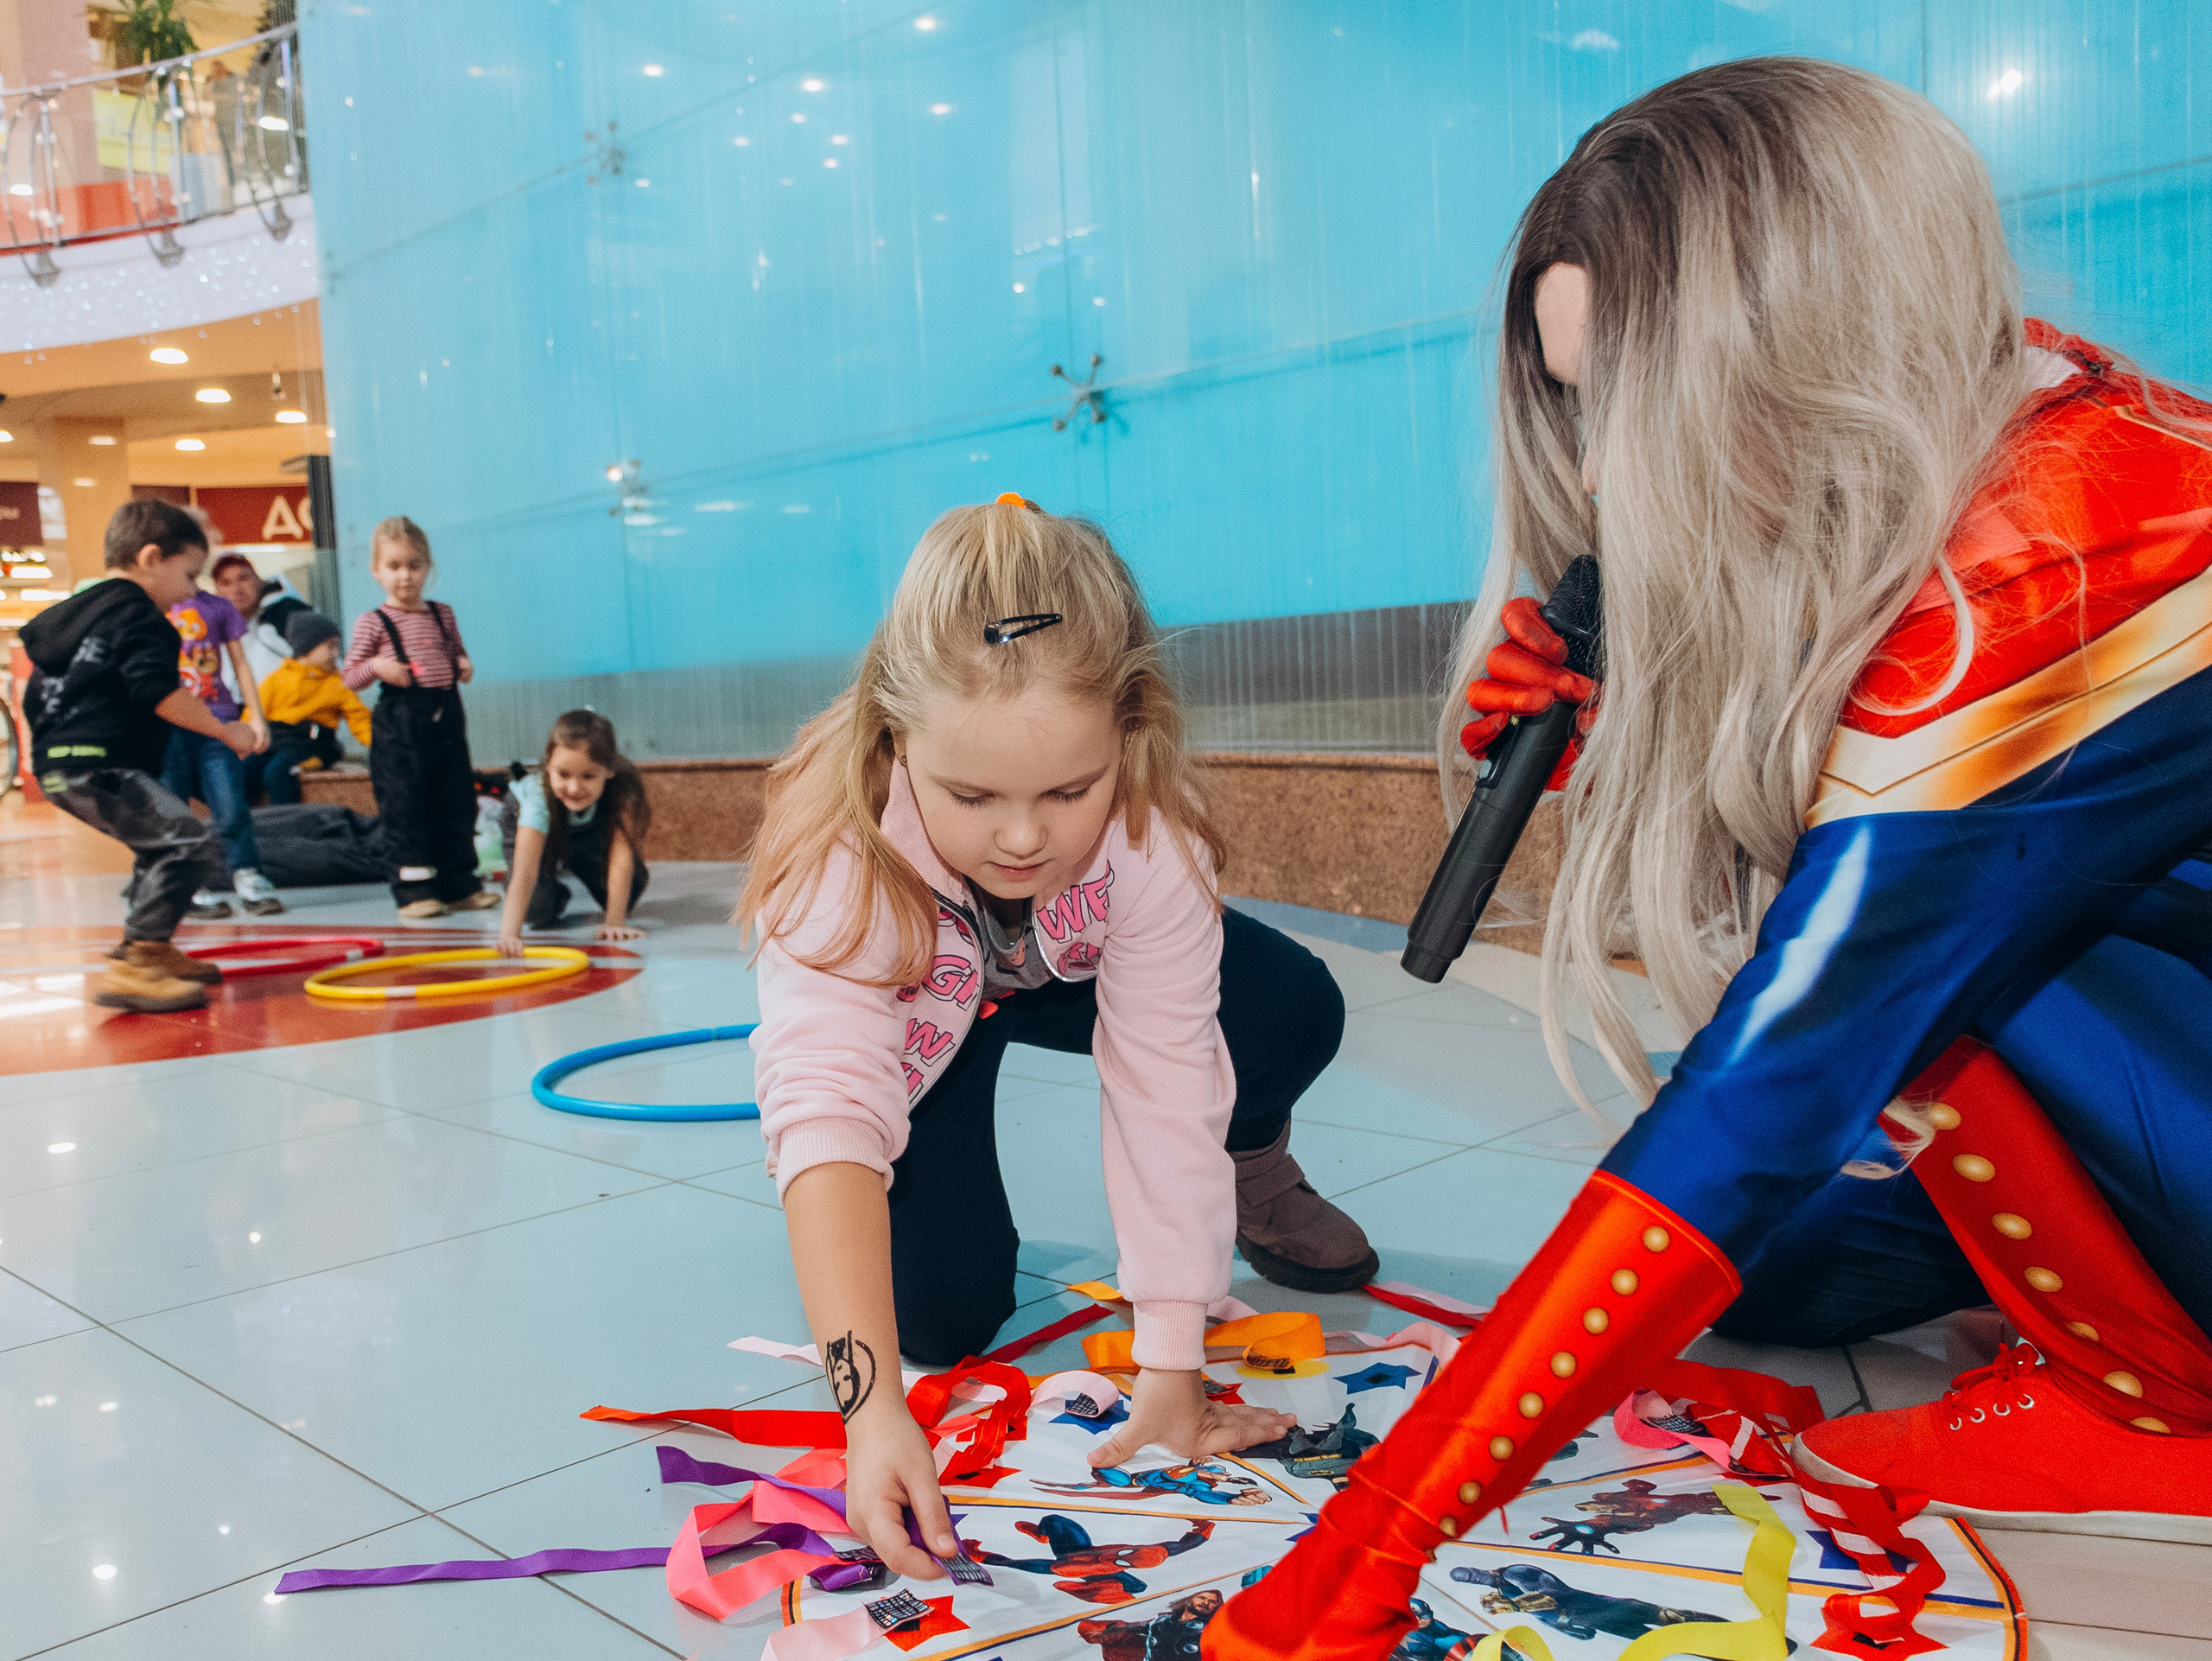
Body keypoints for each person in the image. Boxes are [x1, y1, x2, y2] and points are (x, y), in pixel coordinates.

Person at [1208, 59, 2212, 1661]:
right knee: (1777, 1284)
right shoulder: (2024, 419)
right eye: (1576, 404)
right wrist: (1619, 732)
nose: (1600, 474)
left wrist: (1364, 1550)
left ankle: (2155, 1401)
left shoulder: (2057, 566)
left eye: (1632, 399)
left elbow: (1779, 1068)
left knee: (1867, 1058)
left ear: (1800, 353)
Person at [737, 494, 1375, 1584]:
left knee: (1291, 1005)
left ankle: (1257, 1166)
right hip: (926, 1012)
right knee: (940, 1317)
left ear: (1128, 735)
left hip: (1066, 966)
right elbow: (829, 1107)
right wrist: (873, 1406)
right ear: (896, 745)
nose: (1024, 835)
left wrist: (1172, 1361)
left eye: (1067, 789)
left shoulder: (1142, 839)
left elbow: (1166, 1079)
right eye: (971, 794)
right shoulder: (839, 861)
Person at [18, 500, 258, 1011]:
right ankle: (139, 964)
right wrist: (223, 729)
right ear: (152, 558)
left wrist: (49, 751)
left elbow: (36, 697)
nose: (193, 590)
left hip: (59, 764)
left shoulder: (72, 620)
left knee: (162, 843)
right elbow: (158, 692)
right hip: (99, 763)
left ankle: (150, 947)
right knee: (189, 839)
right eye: (190, 574)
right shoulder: (141, 618)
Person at [340, 515, 499, 919]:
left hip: (446, 720)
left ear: (428, 568)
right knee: (406, 805)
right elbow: (349, 677)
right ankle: (414, 891)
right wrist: (378, 665)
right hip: (400, 726)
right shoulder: (372, 622)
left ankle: (459, 883)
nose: (405, 576)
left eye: (414, 565)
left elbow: (454, 649)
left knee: (456, 800)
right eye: (394, 566)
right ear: (377, 572)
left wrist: (462, 662)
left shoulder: (442, 614)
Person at [159, 546, 279, 917]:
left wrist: (254, 717)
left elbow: (241, 665)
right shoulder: (155, 607)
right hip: (170, 722)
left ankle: (248, 876)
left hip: (218, 720)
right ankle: (188, 885)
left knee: (230, 804)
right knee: (174, 807)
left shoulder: (218, 608)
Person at [495, 709, 650, 954]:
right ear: (548, 765)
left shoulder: (622, 790)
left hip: (588, 829)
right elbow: (525, 872)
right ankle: (554, 888)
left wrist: (615, 922)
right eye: (563, 774)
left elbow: (620, 860)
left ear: (609, 769)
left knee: (630, 888)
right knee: (537, 909)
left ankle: (575, 859)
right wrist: (509, 935)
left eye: (588, 776)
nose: (574, 787)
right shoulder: (537, 798)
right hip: (533, 825)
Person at [252, 611, 371, 805]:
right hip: (277, 742)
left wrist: (379, 745)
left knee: (279, 772)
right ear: (307, 648)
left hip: (315, 746)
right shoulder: (276, 679)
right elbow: (254, 713)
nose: (335, 654)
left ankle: (290, 827)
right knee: (245, 769)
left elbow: (359, 718)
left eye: (337, 647)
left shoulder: (338, 683)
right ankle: (248, 827)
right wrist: (244, 742)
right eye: (330, 647)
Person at [210, 550, 308, 688]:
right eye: (226, 583)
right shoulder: (212, 631)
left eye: (243, 578)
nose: (237, 589)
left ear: (259, 581)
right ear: (217, 591)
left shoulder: (287, 614)